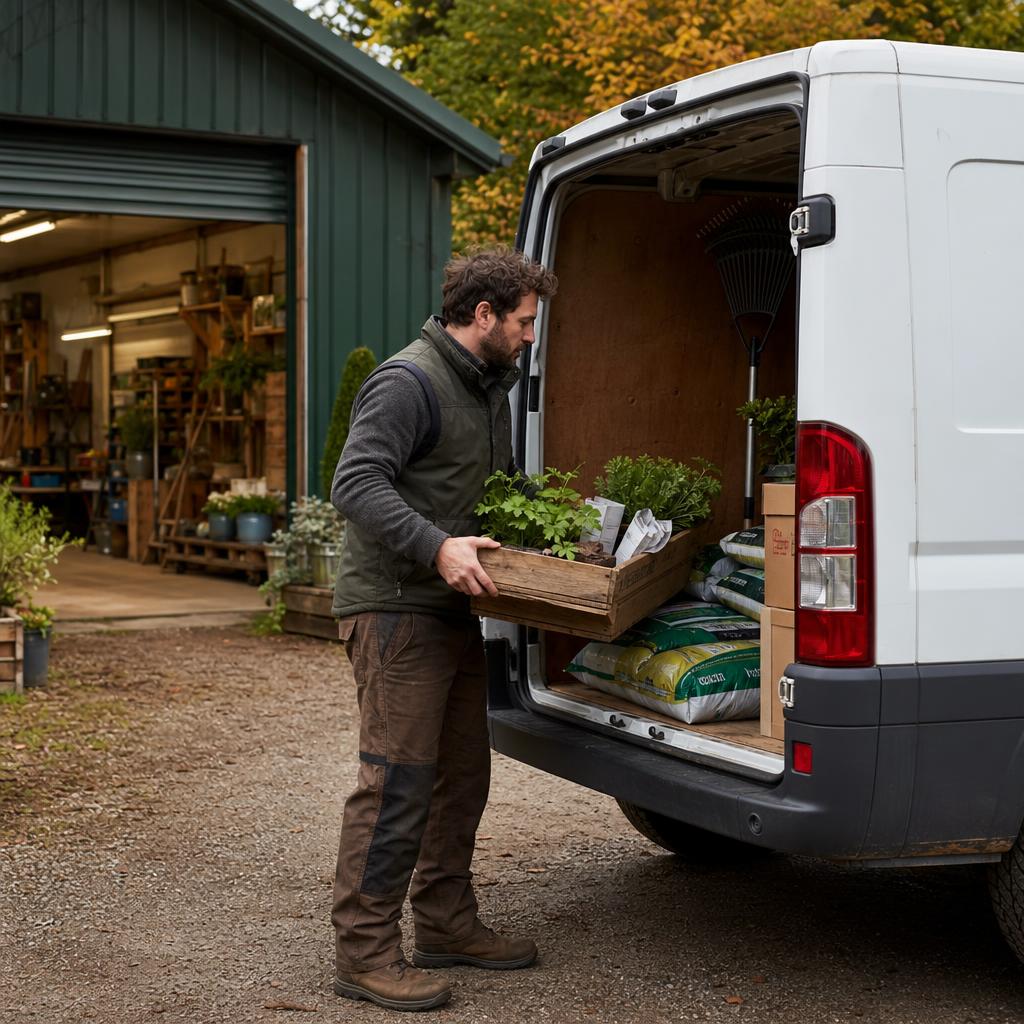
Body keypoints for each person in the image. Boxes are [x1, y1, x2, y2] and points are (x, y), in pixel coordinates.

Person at [329, 246, 558, 1012]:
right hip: (395, 608)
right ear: (483, 314)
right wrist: (436, 545)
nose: (531, 336)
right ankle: (364, 953)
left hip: (452, 608)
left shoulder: (484, 385)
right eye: (525, 322)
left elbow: (488, 491)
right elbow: (354, 481)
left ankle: (446, 921)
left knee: (463, 773)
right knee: (396, 781)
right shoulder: (407, 381)